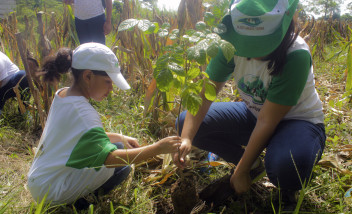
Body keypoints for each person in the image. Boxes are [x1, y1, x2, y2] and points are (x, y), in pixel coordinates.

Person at [174, 0, 326, 210]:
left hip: (297, 122)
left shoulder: (296, 55)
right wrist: (186, 139)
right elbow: (205, 93)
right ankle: (254, 165)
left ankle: (287, 188)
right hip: (255, 115)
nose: (253, 52)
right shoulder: (230, 47)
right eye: (248, 44)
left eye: (261, 44)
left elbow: (268, 120)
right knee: (186, 123)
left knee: (288, 164)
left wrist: (240, 172)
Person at [27, 43, 181, 209]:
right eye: (108, 81)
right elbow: (110, 159)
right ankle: (78, 203)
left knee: (117, 144)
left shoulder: (64, 95)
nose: (111, 89)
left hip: (39, 180)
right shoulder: (85, 115)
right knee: (122, 167)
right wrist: (157, 148)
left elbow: (77, 137)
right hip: (51, 192)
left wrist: (120, 137)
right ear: (88, 76)